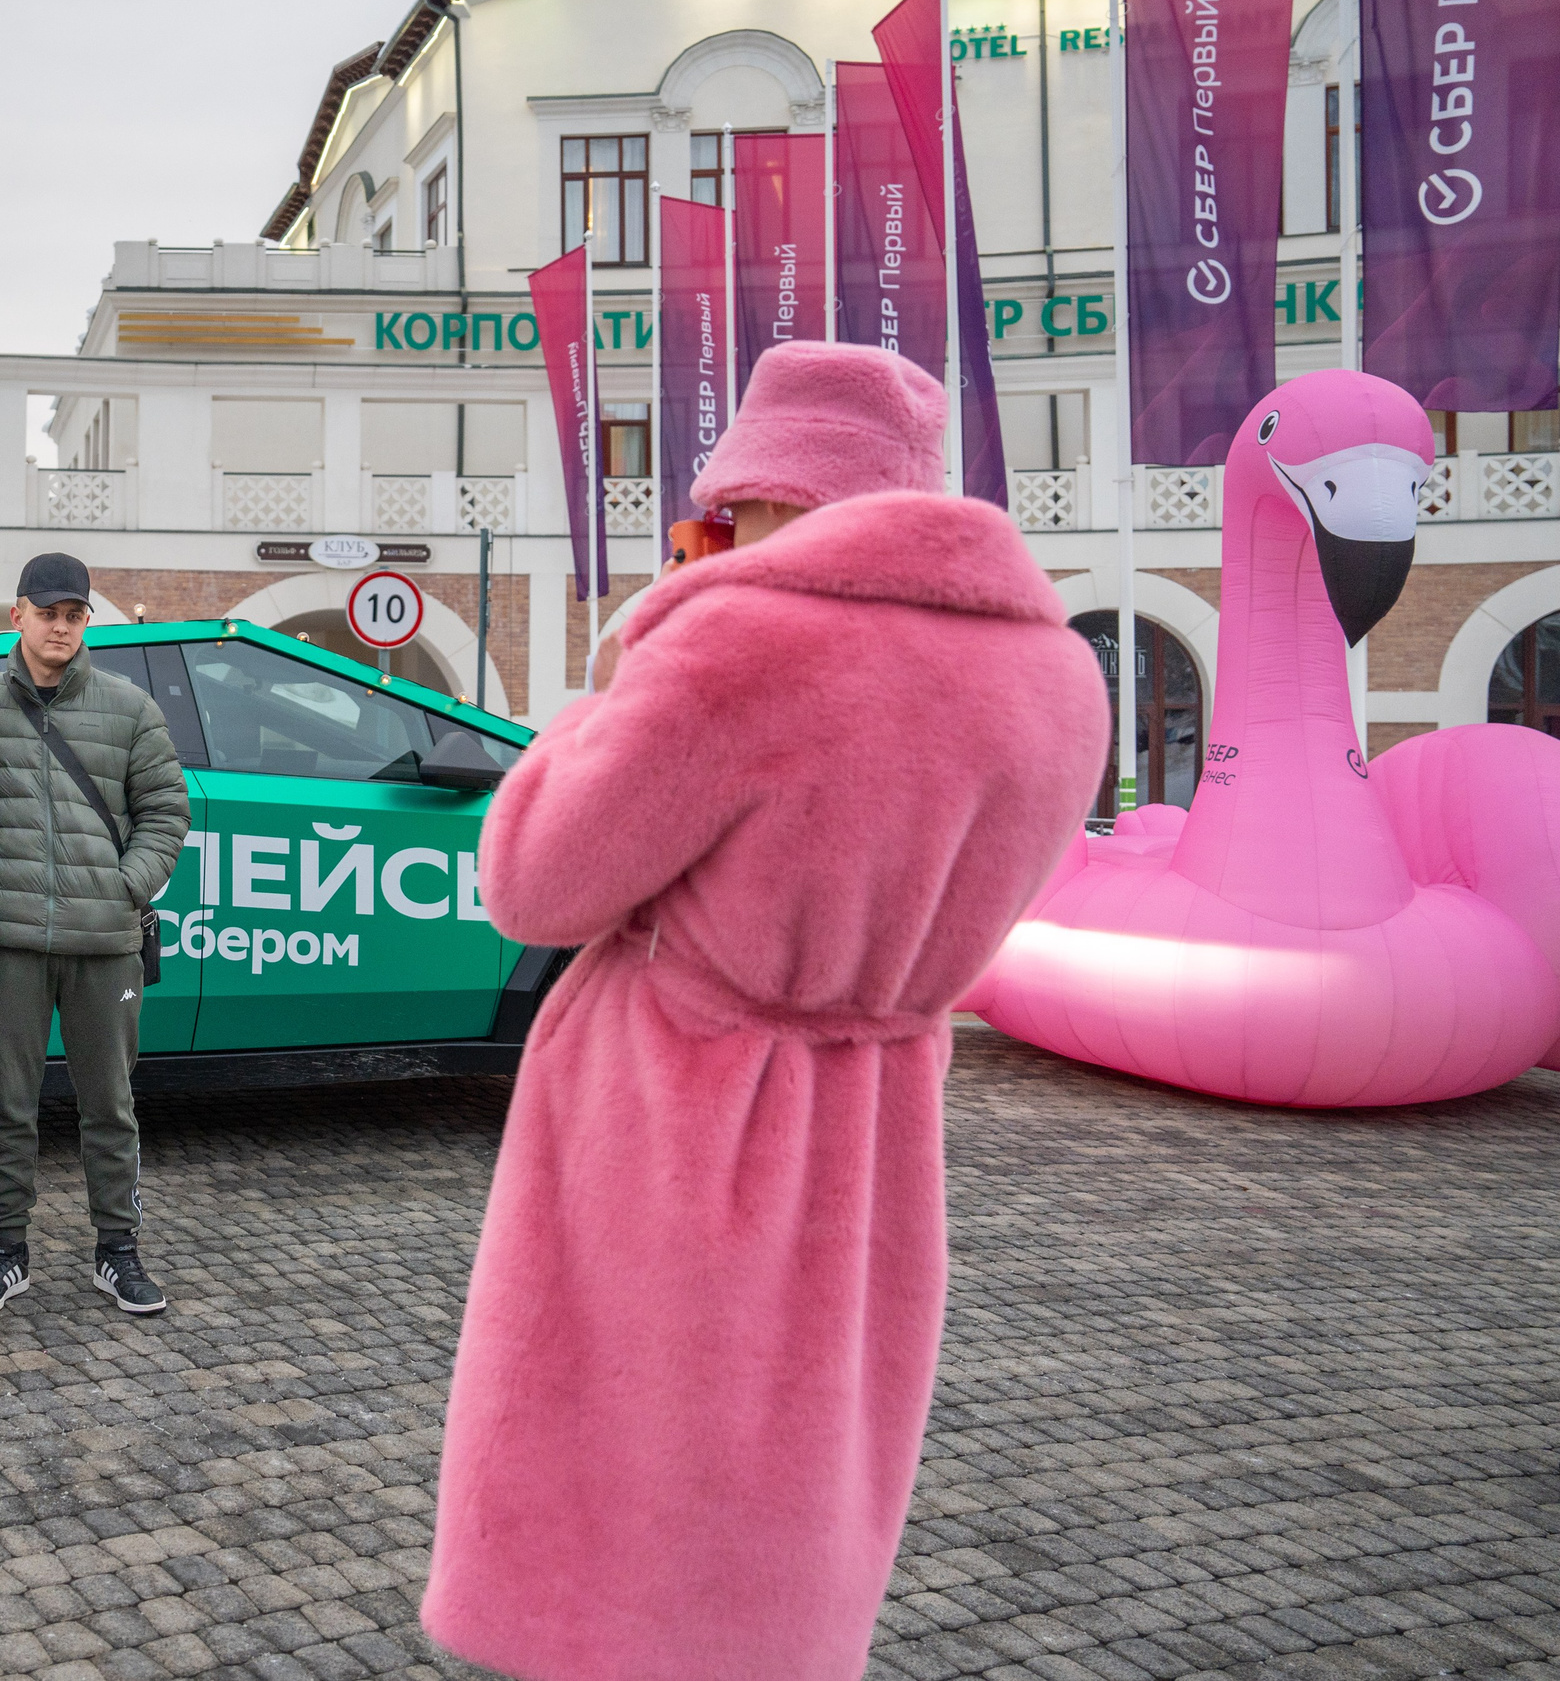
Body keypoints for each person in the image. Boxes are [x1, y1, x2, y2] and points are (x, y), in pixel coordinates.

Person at [421, 342, 1111, 1680]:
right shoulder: (1059, 677)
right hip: (879, 1110)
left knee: (621, 1455)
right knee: (802, 1443)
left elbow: (534, 880)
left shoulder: (736, 643)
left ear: (762, 485)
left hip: (676, 1098)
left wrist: (618, 681)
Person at [0, 553, 190, 1316]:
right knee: (6, 1106)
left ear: (87, 620)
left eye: (74, 614)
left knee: (109, 1106)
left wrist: (125, 886)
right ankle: (6, 1252)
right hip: (9, 942)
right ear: (16, 615)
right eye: (47, 612)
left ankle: (118, 1252)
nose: (61, 626)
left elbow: (166, 811)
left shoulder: (129, 708)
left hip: (106, 942)